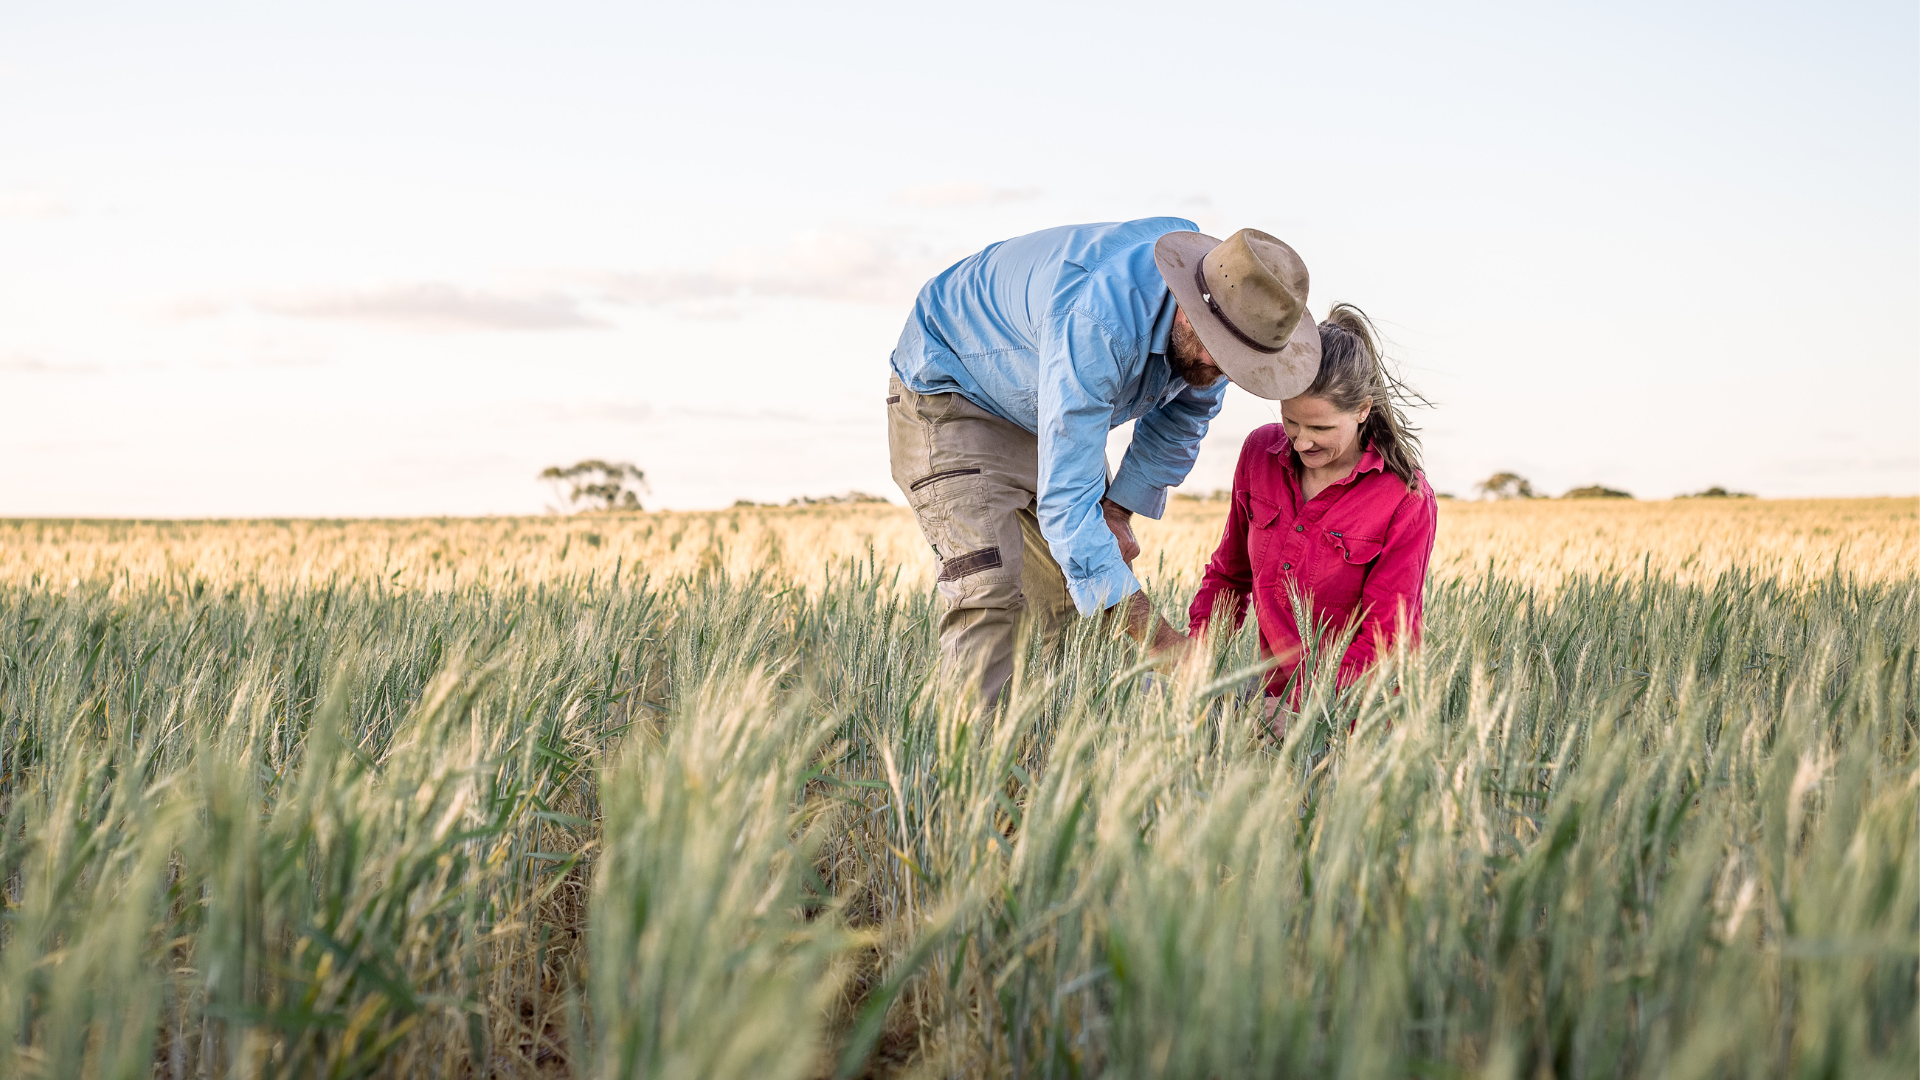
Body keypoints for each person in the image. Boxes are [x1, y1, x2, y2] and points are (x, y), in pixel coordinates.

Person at [888, 219, 1323, 705]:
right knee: (989, 591)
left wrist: (1116, 512)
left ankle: (1044, 760)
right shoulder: (1099, 322)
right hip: (952, 386)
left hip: (1042, 399)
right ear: (1185, 305)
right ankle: (967, 772)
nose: (1220, 369)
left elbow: (1182, 419)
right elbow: (1070, 511)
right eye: (1217, 351)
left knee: (1071, 603)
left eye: (1237, 362)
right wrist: (1167, 648)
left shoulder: (1230, 316)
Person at [1186, 304, 1436, 729]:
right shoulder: (1259, 454)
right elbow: (1229, 577)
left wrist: (1302, 709)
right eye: (1291, 422)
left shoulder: (1405, 498)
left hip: (1358, 718)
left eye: (1320, 429)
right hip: (1270, 701)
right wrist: (1198, 659)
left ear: (1362, 410)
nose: (1302, 443)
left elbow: (1387, 639)